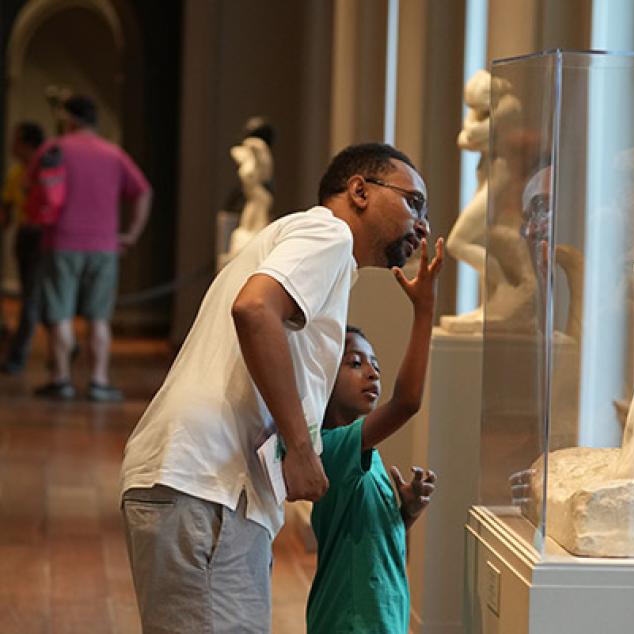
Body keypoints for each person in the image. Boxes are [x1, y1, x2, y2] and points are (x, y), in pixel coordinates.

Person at [120, 142, 431, 632]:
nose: (422, 225)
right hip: (208, 485)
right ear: (359, 191)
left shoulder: (318, 249)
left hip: (213, 488)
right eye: (413, 202)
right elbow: (254, 309)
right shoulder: (327, 233)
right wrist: (302, 447)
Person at [308, 236, 443, 633]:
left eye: (376, 365)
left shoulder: (369, 456)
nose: (372, 372)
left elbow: (365, 539)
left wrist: (403, 512)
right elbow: (407, 402)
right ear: (324, 381)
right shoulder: (330, 448)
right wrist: (424, 309)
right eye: (355, 363)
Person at [33, 95, 152, 400]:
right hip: (103, 245)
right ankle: (99, 381)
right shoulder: (113, 154)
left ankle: (61, 380)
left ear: (68, 119)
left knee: (60, 314)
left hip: (60, 241)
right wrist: (132, 233)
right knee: (98, 318)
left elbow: (31, 188)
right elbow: (143, 191)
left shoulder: (54, 148)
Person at [1, 121, 45, 372]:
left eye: (16, 140)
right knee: (35, 297)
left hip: (40, 237)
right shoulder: (17, 172)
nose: (12, 146)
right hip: (25, 235)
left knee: (32, 299)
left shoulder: (43, 171)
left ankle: (18, 356)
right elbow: (7, 209)